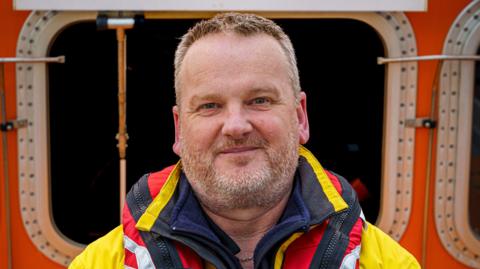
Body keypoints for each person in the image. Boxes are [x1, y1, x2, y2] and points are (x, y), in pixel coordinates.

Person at [69, 13, 420, 269]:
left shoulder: (390, 263)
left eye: (260, 100)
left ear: (300, 117)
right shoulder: (99, 264)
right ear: (178, 129)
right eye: (210, 105)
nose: (235, 126)